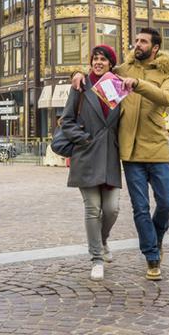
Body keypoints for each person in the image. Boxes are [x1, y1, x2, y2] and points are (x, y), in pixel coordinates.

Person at [72, 27, 169, 281]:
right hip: (129, 152)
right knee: (140, 208)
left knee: (166, 203)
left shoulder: (166, 73)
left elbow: (167, 98)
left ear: (154, 48)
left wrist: (139, 84)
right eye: (136, 41)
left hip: (157, 149)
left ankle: (157, 238)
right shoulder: (122, 71)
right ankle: (152, 257)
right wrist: (77, 73)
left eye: (143, 42)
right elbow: (98, 72)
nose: (137, 45)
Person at [61, 45, 122, 282]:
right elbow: (66, 121)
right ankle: (96, 258)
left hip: (110, 157)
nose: (98, 62)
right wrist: (84, 138)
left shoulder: (116, 86)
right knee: (92, 209)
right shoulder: (81, 85)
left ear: (110, 63)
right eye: (95, 59)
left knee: (112, 208)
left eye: (103, 59)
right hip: (86, 155)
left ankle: (102, 239)